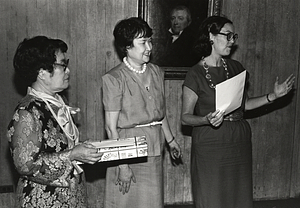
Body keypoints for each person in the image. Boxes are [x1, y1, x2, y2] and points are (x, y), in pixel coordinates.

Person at [181, 16, 295, 208]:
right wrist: (205, 119)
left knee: (238, 197)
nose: (232, 41)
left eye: (233, 36)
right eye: (228, 36)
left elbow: (245, 104)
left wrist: (273, 96)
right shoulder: (195, 74)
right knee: (212, 197)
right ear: (211, 36)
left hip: (238, 140)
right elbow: (185, 118)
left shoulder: (236, 68)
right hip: (211, 142)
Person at [7, 36, 104, 208]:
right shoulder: (27, 112)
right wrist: (72, 154)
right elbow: (25, 165)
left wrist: (80, 149)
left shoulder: (56, 102)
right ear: (42, 73)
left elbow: (56, 147)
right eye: (62, 65)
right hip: (42, 201)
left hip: (69, 198)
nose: (68, 71)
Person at [102, 17, 182, 208]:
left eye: (150, 40)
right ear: (127, 47)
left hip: (154, 148)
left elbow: (159, 114)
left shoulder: (156, 72)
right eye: (143, 42)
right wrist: (122, 166)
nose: (149, 47)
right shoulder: (113, 78)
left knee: (151, 203)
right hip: (126, 152)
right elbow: (110, 128)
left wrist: (171, 141)